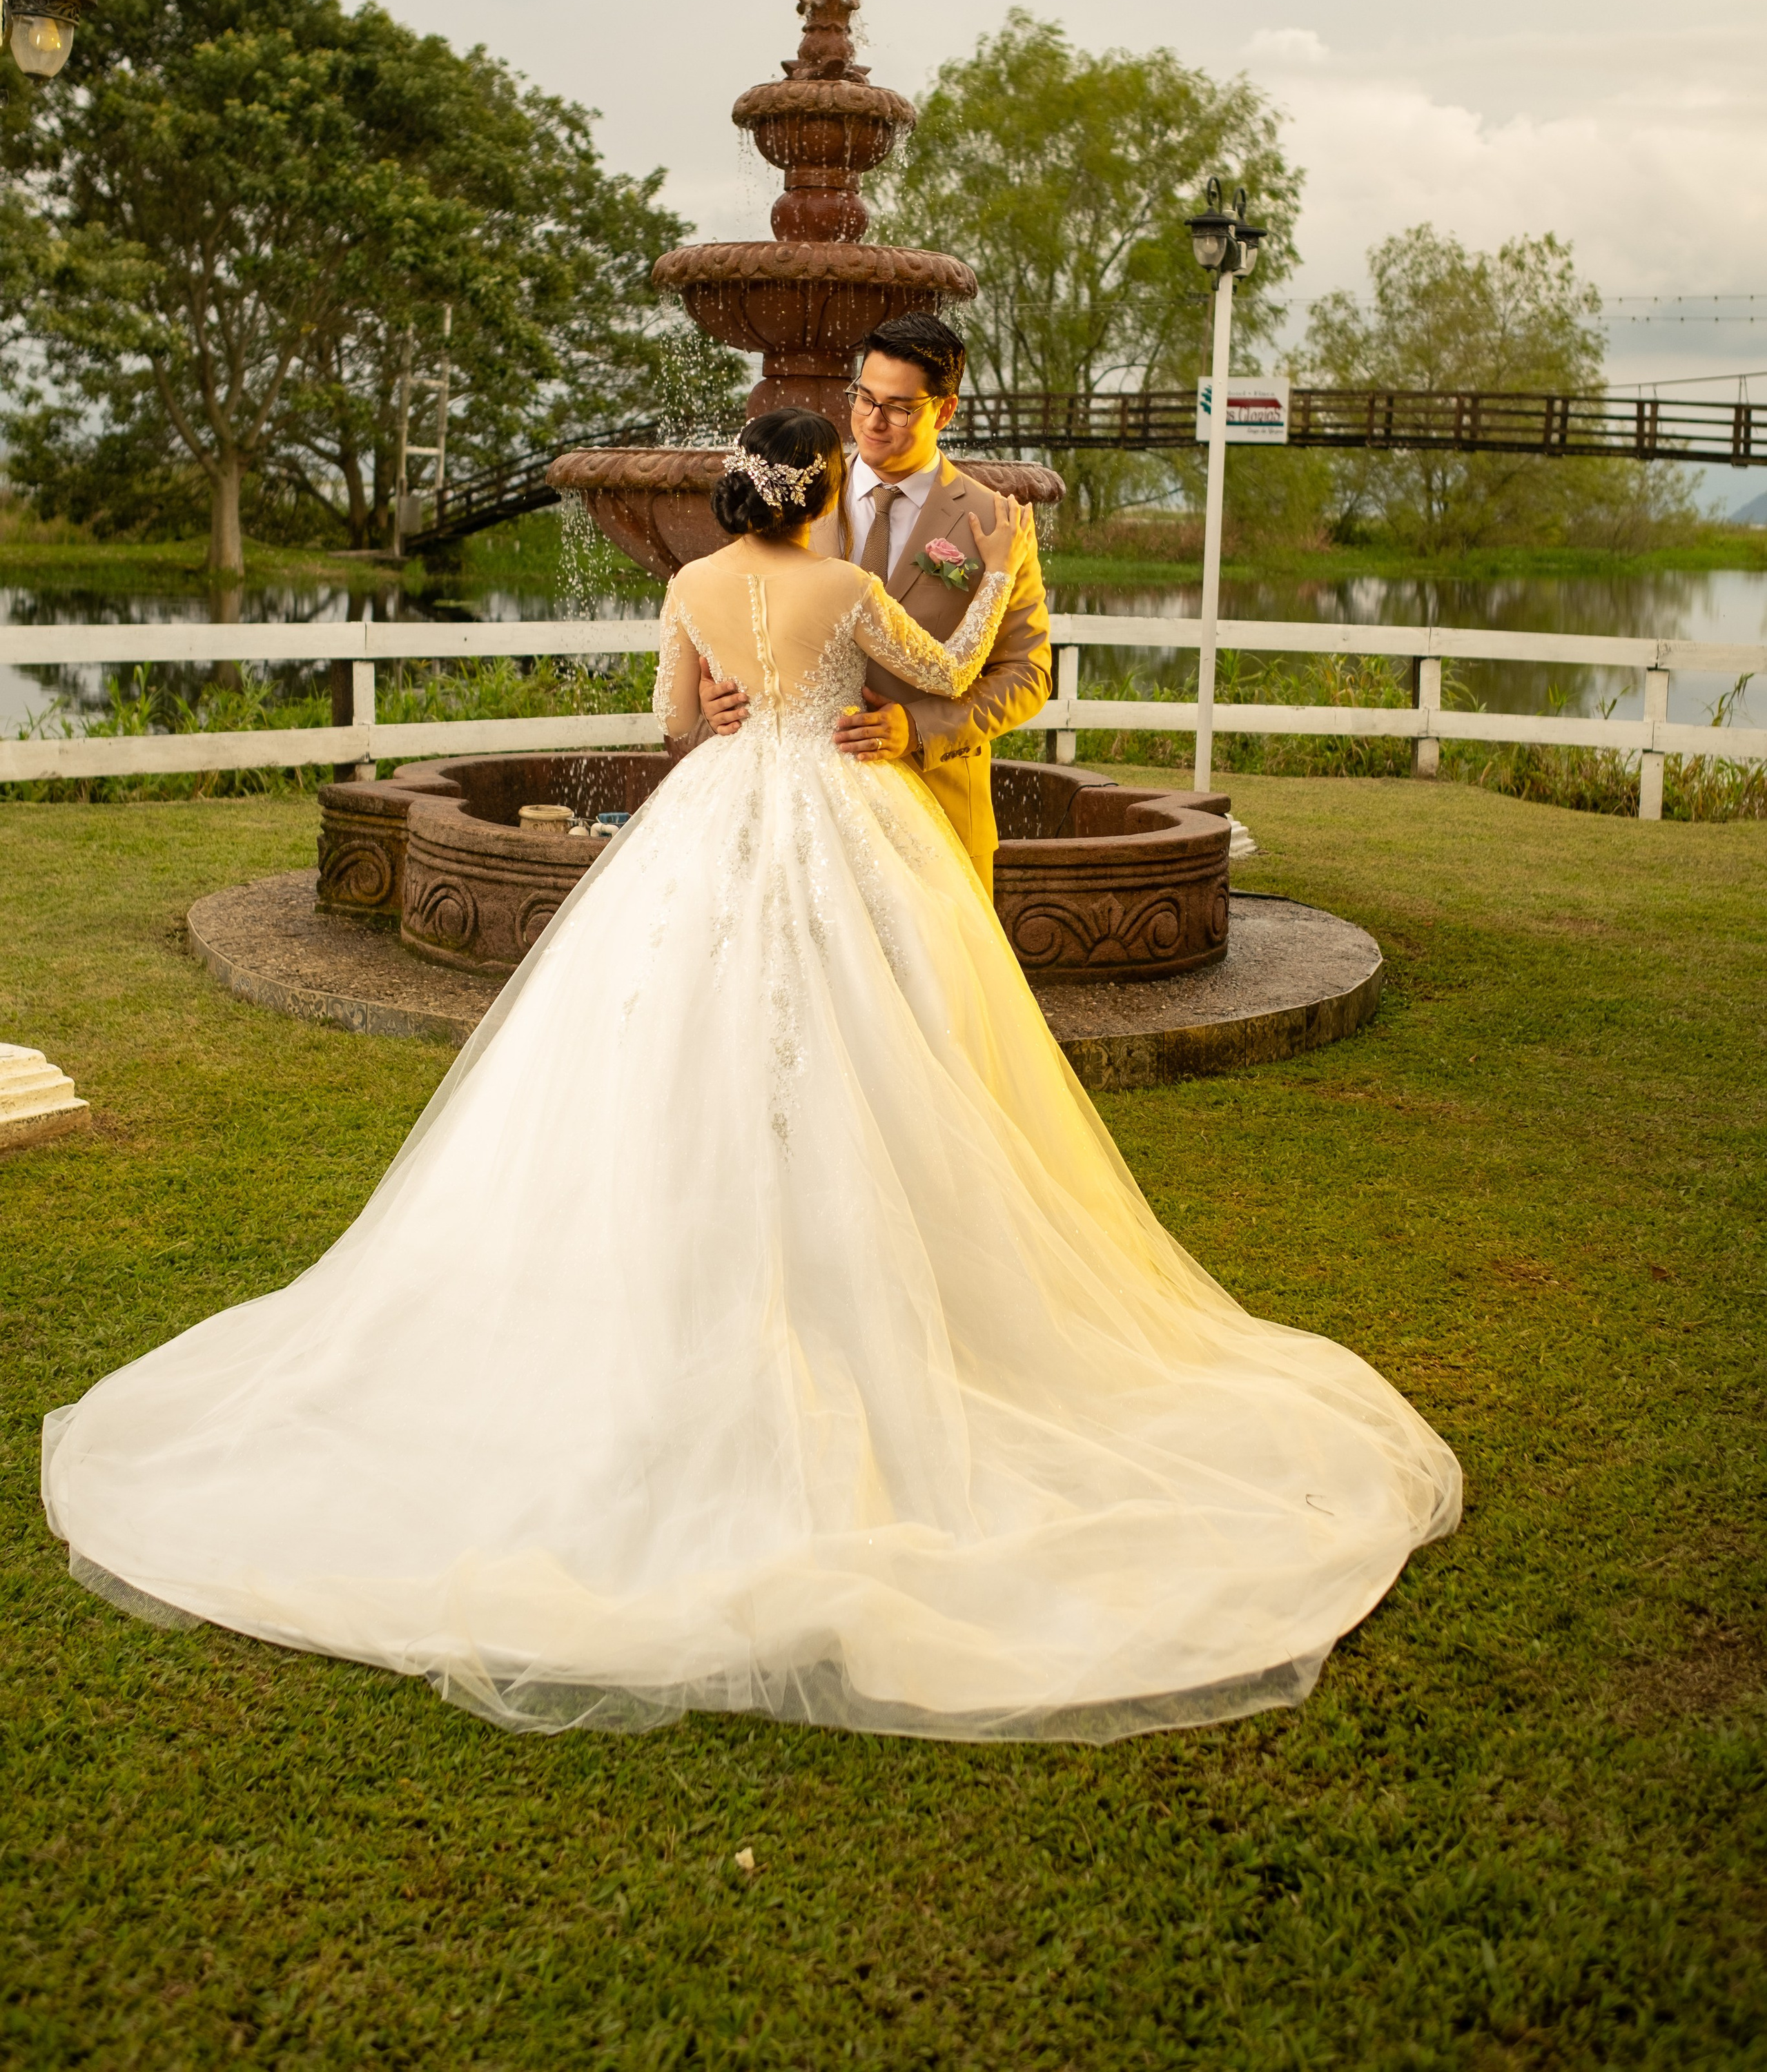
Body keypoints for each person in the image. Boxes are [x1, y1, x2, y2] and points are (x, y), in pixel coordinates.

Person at [41, 407, 1460, 1745]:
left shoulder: (695, 586)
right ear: (822, 489)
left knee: (671, 1036)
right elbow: (951, 672)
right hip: (840, 817)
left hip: (716, 817)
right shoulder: (846, 592)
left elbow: (677, 729)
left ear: (733, 485)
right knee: (875, 1038)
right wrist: (999, 573)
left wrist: (727, 704)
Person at [696, 313, 1049, 898]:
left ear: (946, 410)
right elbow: (741, 607)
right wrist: (717, 690)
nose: (872, 421)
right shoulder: (793, 486)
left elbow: (1029, 675)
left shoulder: (994, 521)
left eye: (899, 407)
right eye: (864, 397)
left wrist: (917, 728)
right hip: (798, 822)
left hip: (939, 813)